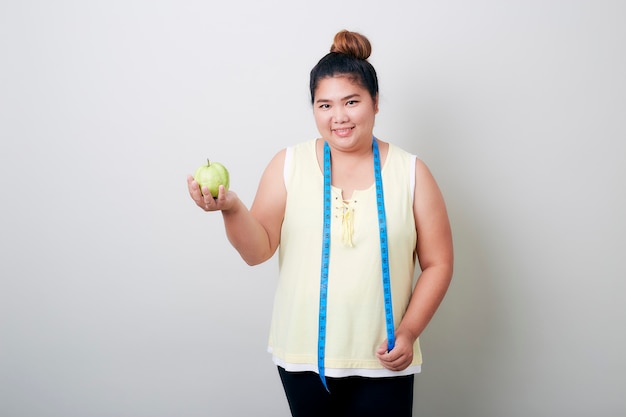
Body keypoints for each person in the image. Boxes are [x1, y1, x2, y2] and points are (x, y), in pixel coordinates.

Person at [187, 30, 453, 417]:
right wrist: (230, 207)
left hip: (386, 357)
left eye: (351, 102)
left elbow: (438, 263)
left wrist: (409, 332)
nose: (339, 117)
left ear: (375, 103)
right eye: (324, 105)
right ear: (313, 108)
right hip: (303, 358)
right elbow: (257, 251)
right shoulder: (288, 164)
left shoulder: (411, 173)